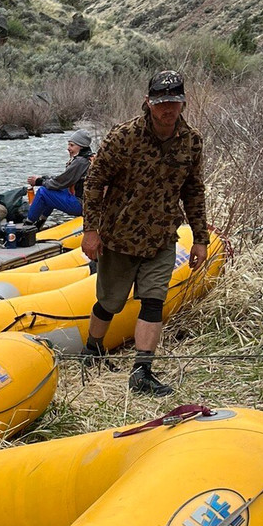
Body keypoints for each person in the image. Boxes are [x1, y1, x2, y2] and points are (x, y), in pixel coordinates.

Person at [80, 70, 209, 397]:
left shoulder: (191, 141)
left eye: (174, 102)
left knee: (154, 302)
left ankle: (142, 372)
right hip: (120, 235)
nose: (168, 109)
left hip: (161, 236)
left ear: (183, 103)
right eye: (162, 102)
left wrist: (200, 238)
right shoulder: (124, 136)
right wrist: (90, 230)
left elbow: (194, 191)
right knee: (109, 303)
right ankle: (92, 350)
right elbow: (94, 182)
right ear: (148, 102)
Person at [25, 129, 94, 227]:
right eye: (68, 145)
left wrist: (39, 181)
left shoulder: (80, 161)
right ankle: (41, 221)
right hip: (89, 204)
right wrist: (44, 178)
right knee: (52, 189)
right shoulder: (89, 158)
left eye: (72, 145)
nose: (68, 148)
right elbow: (63, 179)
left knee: (43, 192)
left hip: (82, 205)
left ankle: (28, 224)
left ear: (81, 146)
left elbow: (60, 182)